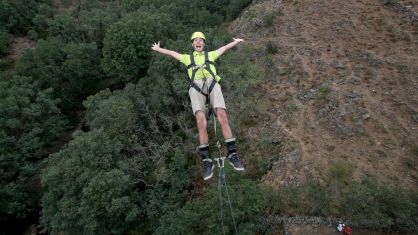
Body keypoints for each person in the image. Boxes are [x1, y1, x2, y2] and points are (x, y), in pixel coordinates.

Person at [151, 32, 245, 180]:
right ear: (193, 44)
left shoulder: (211, 55)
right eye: (196, 40)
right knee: (201, 121)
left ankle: (233, 154)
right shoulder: (188, 58)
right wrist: (158, 49)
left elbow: (224, 48)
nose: (198, 42)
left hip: (212, 83)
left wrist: (235, 42)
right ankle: (207, 160)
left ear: (204, 43)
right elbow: (172, 53)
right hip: (196, 87)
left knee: (222, 116)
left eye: (200, 40)